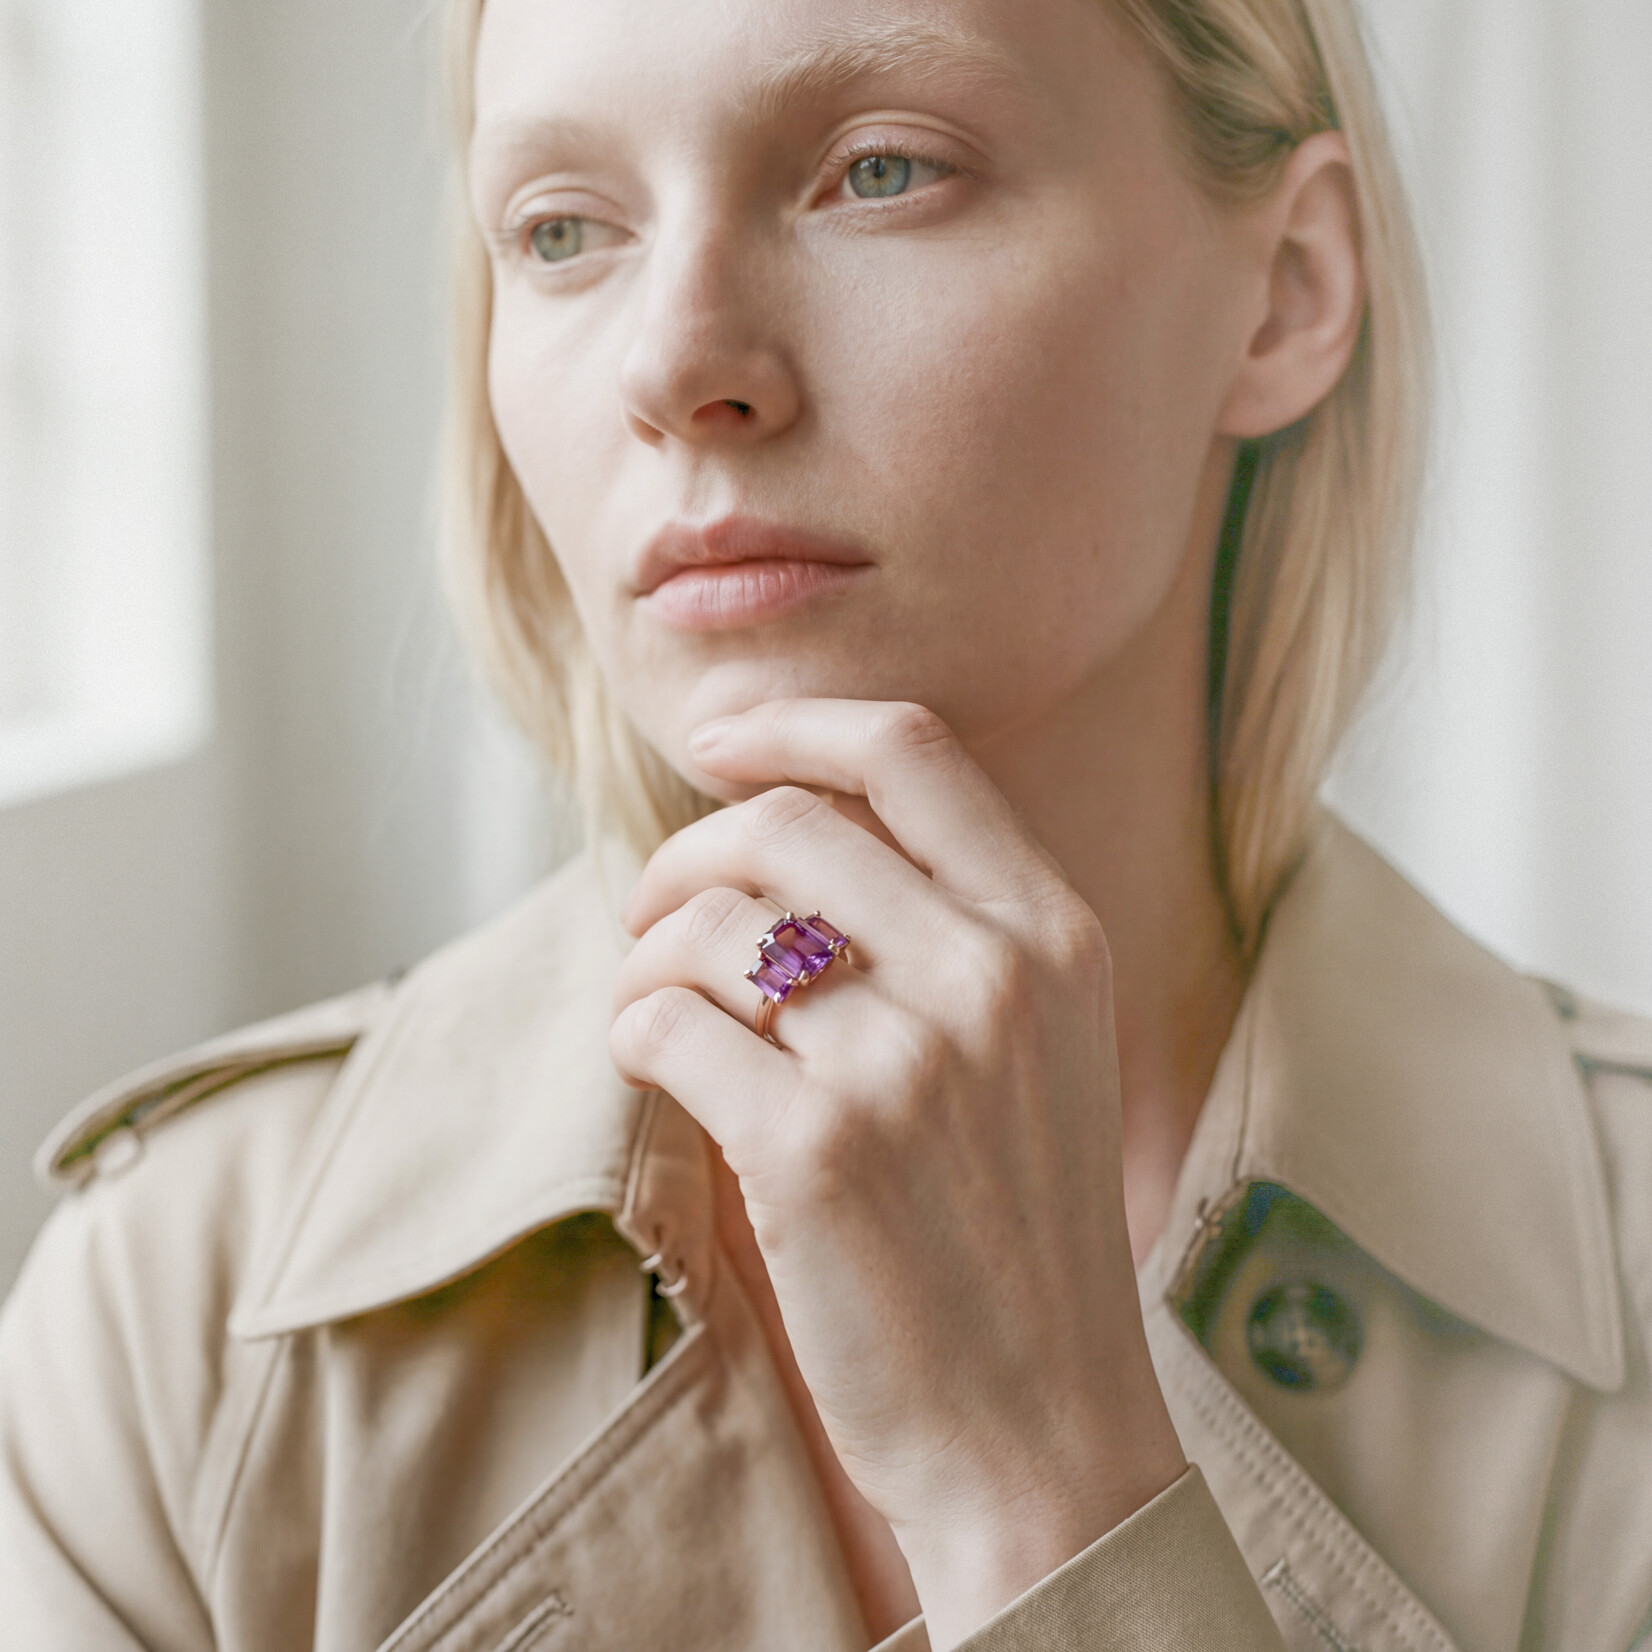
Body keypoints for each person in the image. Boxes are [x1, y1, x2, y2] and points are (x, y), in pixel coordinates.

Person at [3, 0, 1649, 1646]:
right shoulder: (175, 1322)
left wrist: (1039, 1481)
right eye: (563, 229)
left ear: (1286, 291)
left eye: (879, 171)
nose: (672, 364)